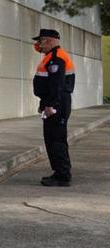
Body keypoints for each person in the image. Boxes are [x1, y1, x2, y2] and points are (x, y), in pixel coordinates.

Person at [32, 28, 76, 187]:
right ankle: (58, 172)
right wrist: (43, 104)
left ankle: (63, 176)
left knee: (57, 139)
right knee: (51, 139)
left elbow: (56, 85)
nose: (38, 45)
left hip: (58, 104)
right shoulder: (51, 57)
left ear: (49, 41)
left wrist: (51, 105)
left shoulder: (56, 58)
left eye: (41, 41)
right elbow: (49, 86)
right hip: (53, 102)